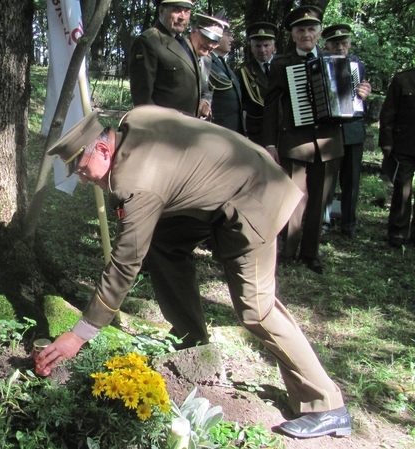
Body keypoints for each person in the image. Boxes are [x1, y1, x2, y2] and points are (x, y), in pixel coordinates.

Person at [37, 106, 353, 439]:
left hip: (256, 197)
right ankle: (190, 339)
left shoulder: (136, 183)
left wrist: (79, 334)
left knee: (257, 311)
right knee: (163, 243)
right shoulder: (135, 120)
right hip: (227, 189)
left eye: (84, 171)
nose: (86, 181)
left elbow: (125, 262)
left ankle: (326, 404)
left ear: (103, 149)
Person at [262, 6, 368, 274]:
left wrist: (361, 94)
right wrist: (271, 144)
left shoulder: (340, 62)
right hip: (295, 142)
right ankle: (287, 250)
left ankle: (311, 253)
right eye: (300, 30)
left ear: (319, 34)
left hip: (330, 142)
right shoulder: (282, 64)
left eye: (311, 29)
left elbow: (352, 102)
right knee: (294, 198)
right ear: (293, 35)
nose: (306, 34)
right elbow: (271, 106)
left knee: (320, 200)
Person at [321, 24, 370, 238]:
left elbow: (363, 99)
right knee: (327, 180)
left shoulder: (358, 65)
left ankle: (348, 225)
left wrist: (364, 94)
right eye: (335, 43)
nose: (340, 47)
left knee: (352, 180)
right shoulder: (319, 64)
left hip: (353, 130)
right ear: (327, 45)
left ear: (349, 44)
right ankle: (323, 221)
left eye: (344, 43)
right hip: (329, 131)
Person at [128, 0, 203, 117]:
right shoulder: (148, 42)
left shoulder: (186, 43)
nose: (183, 17)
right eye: (177, 11)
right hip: (166, 128)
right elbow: (143, 98)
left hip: (189, 127)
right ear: (161, 10)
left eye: (187, 12)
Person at [379, 67, 415, 246]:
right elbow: (388, 111)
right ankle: (397, 233)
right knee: (402, 188)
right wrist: (387, 140)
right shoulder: (403, 79)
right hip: (404, 144)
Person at [239, 22, 278, 144]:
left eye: (266, 45)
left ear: (274, 47)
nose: (262, 50)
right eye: (257, 46)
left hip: (283, 131)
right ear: (251, 48)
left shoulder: (285, 66)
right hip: (258, 134)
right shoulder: (243, 72)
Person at [188, 14, 229, 120]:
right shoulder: (179, 52)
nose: (210, 45)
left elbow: (206, 89)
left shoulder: (207, 59)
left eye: (215, 42)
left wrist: (205, 101)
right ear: (193, 32)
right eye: (206, 38)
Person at [208, 23, 244, 133]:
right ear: (217, 35)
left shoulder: (221, 62)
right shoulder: (206, 61)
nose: (232, 39)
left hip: (232, 128)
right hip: (217, 130)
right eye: (228, 35)